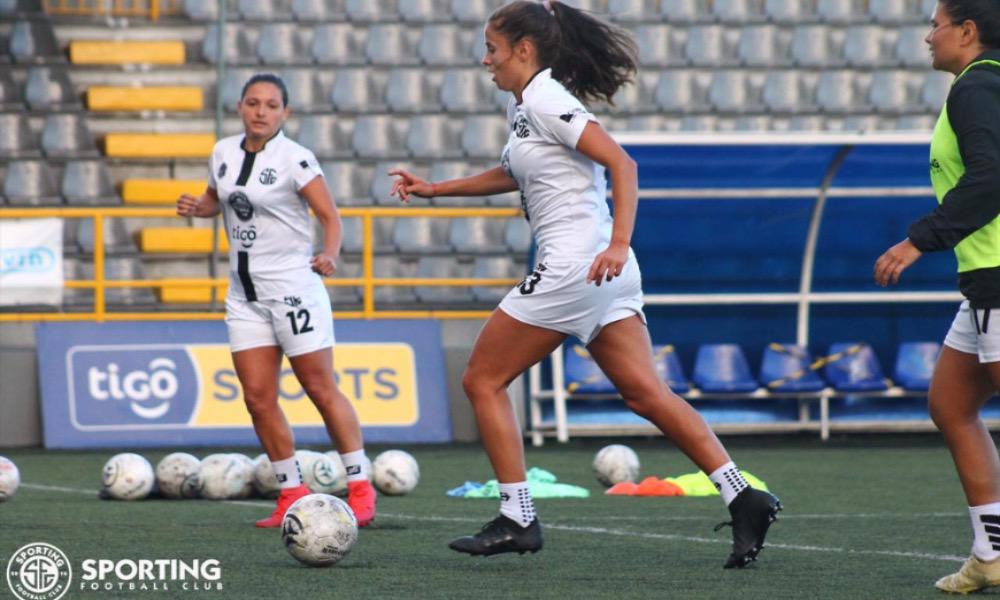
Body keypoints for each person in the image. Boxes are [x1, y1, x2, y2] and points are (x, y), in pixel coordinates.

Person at [389, 0, 780, 567]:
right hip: (602, 275)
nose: (485, 61)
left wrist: (617, 242)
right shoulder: (527, 104)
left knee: (482, 380)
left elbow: (622, 164)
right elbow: (514, 171)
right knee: (647, 393)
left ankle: (518, 516)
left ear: (524, 51)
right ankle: (742, 494)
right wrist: (435, 190)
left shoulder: (546, 98)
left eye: (492, 49)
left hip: (577, 266)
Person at [176, 73, 376, 529]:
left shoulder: (296, 159)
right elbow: (217, 200)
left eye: (270, 105)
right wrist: (198, 208)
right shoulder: (222, 152)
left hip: (291, 291)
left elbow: (330, 216)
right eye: (252, 103)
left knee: (320, 388)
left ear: (284, 113)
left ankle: (361, 487)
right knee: (258, 398)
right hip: (244, 296)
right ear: (241, 108)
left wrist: (329, 253)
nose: (260, 112)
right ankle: (291, 492)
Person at [874, 0, 1000, 593]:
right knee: (951, 404)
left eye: (937, 25)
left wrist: (918, 240)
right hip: (983, 280)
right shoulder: (981, 87)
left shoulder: (977, 89)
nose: (929, 38)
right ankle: (991, 553)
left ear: (967, 31)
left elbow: (991, 178)